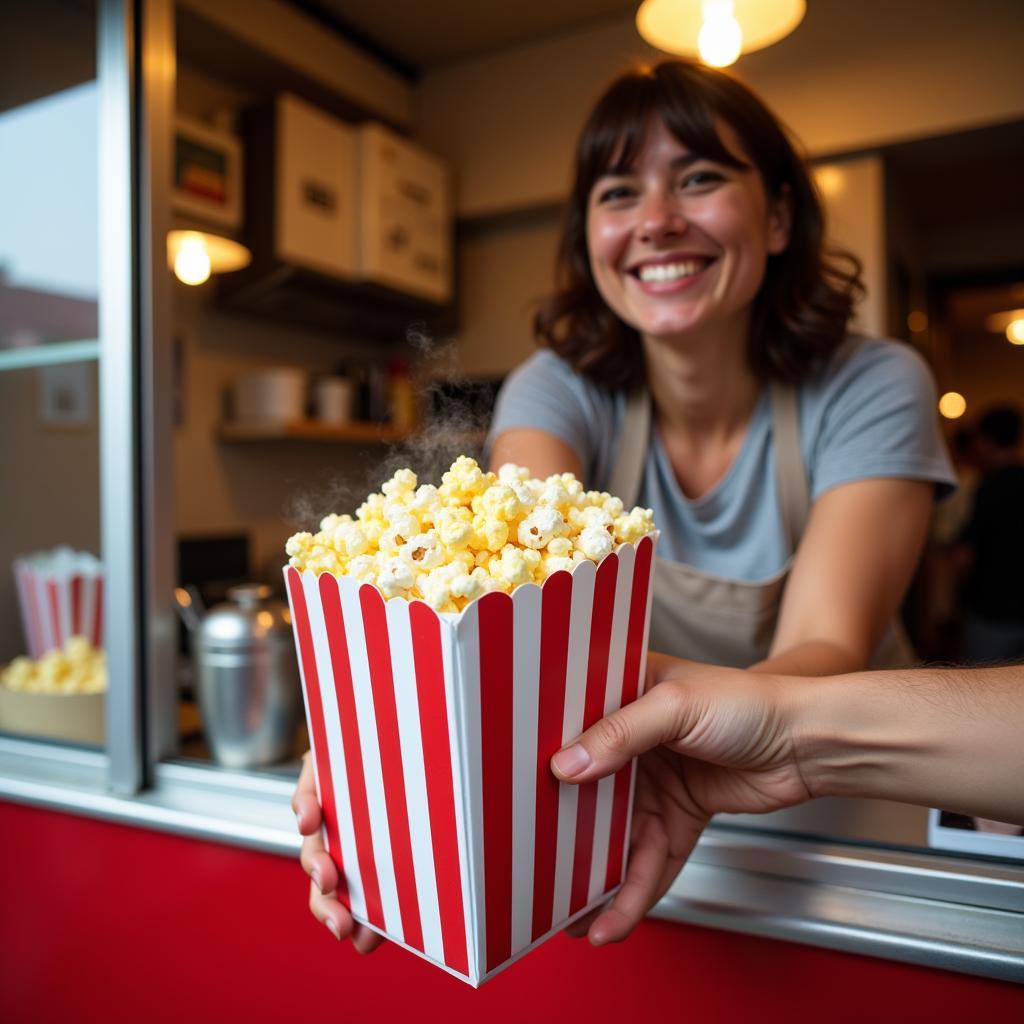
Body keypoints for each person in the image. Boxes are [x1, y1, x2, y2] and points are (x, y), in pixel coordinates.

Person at [295, 58, 956, 946]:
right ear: (589, 235)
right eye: (618, 193)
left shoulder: (873, 383)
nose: (655, 221)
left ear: (780, 214)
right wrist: (385, 734)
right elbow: (498, 592)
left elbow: (827, 643)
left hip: (847, 819)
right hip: (640, 812)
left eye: (700, 178)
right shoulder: (557, 389)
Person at [957, 405, 1024, 662]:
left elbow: (965, 555)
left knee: (981, 691)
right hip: (1015, 609)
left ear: (985, 441)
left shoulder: (987, 487)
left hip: (989, 610)